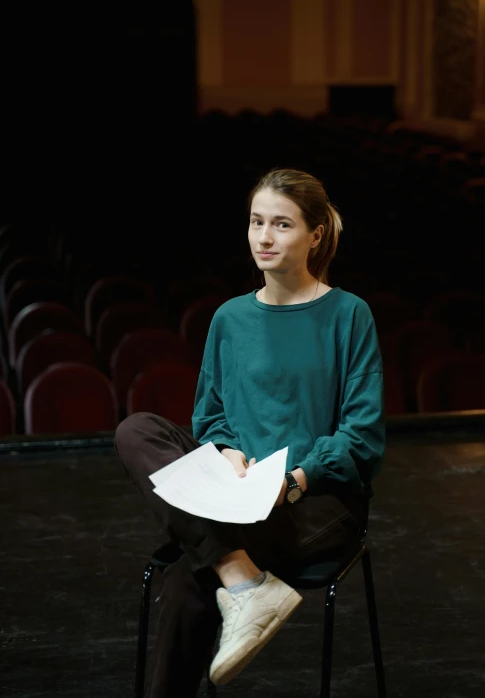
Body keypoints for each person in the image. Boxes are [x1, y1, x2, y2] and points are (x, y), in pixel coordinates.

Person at [115, 167, 385, 697]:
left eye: (282, 224)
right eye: (257, 221)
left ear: (315, 234)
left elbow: (362, 435)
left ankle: (236, 575)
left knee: (191, 576)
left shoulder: (349, 315)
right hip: (237, 496)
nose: (264, 236)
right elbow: (210, 417)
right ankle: (243, 579)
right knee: (136, 429)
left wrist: (293, 481)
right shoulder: (229, 318)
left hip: (318, 500)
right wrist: (227, 452)